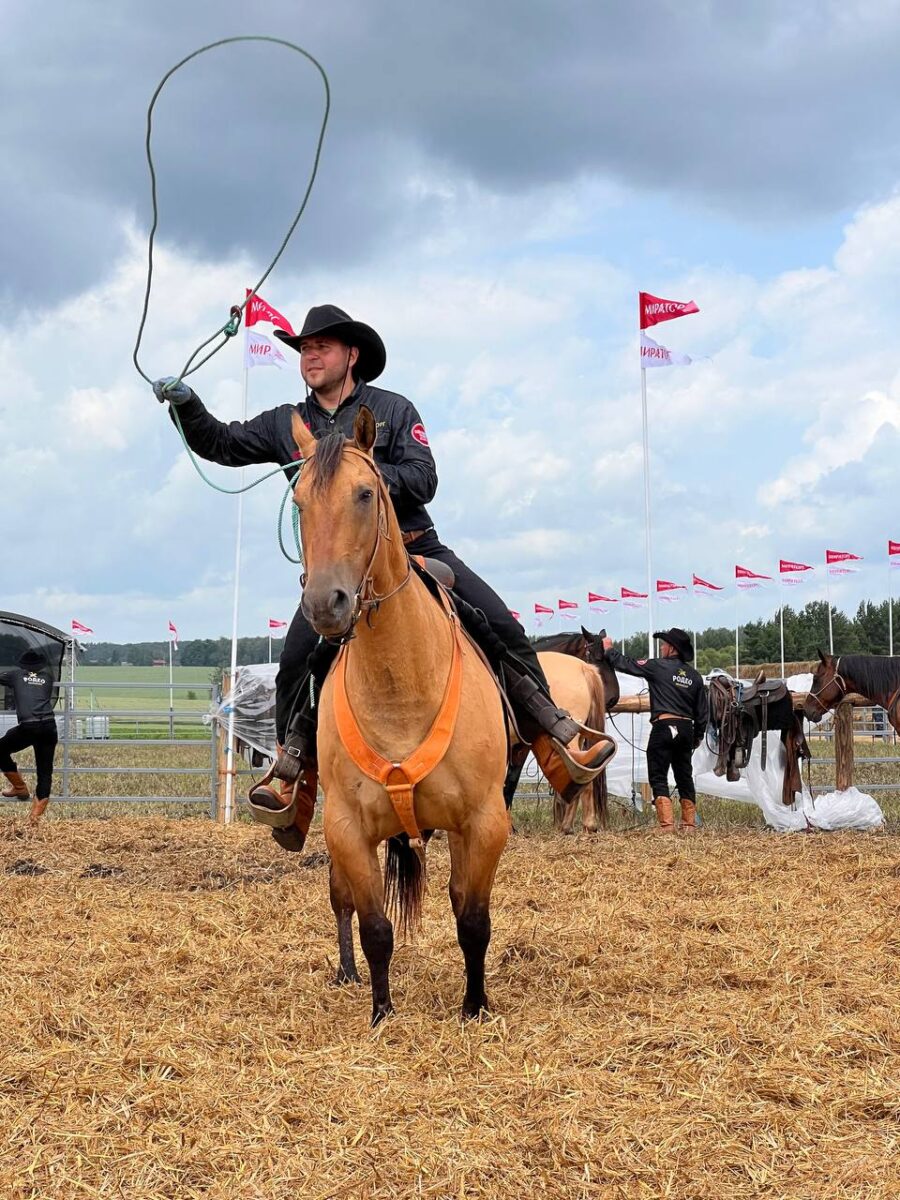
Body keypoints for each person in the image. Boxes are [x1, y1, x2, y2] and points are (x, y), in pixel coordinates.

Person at [153, 304, 614, 850]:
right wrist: (186, 407)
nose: (310, 355)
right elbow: (223, 443)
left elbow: (425, 477)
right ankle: (290, 776)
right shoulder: (287, 424)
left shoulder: (392, 410)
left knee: (500, 626)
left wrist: (364, 478)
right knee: (296, 662)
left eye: (321, 346)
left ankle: (557, 740)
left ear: (352, 355)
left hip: (415, 551)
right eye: (303, 348)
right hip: (339, 569)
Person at [602, 628, 708, 834]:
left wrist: (609, 650)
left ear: (672, 649)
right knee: (684, 775)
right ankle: (688, 825)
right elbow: (702, 713)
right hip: (686, 729)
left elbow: (627, 664)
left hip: (663, 727)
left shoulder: (658, 667)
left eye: (664, 644)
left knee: (658, 774)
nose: (661, 647)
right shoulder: (695, 677)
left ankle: (667, 825)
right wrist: (696, 737)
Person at [0, 648, 59, 826]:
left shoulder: (16, 675)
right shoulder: (48, 678)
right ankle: (34, 819)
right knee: (44, 771)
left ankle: (19, 787)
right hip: (49, 726)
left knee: (0, 749)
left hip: (29, 726)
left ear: (22, 665)